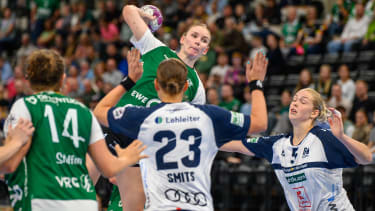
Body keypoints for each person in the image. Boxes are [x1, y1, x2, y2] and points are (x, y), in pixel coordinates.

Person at [93, 49, 268, 210]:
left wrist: (129, 81)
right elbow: (260, 123)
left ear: (156, 85)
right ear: (185, 87)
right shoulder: (208, 116)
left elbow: (100, 111)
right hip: (197, 206)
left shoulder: (143, 117)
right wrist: (255, 83)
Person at [0, 49, 147, 211]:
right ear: (63, 79)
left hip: (43, 199)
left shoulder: (25, 106)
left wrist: (15, 144)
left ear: (28, 80)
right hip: (83, 201)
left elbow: (9, 164)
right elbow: (108, 168)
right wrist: (127, 158)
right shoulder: (84, 112)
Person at [103, 4, 213, 210]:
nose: (197, 41)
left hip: (146, 150)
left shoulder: (197, 88)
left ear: (205, 50)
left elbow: (190, 129)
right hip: (117, 129)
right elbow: (128, 11)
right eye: (194, 36)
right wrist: (149, 17)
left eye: (203, 40)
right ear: (182, 39)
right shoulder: (156, 48)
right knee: (79, 184)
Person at [221, 88, 372, 210]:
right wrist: (204, 134)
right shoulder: (278, 144)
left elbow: (366, 157)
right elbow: (235, 144)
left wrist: (342, 137)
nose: (295, 103)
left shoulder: (325, 138)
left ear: (314, 113)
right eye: (294, 100)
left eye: (302, 101)